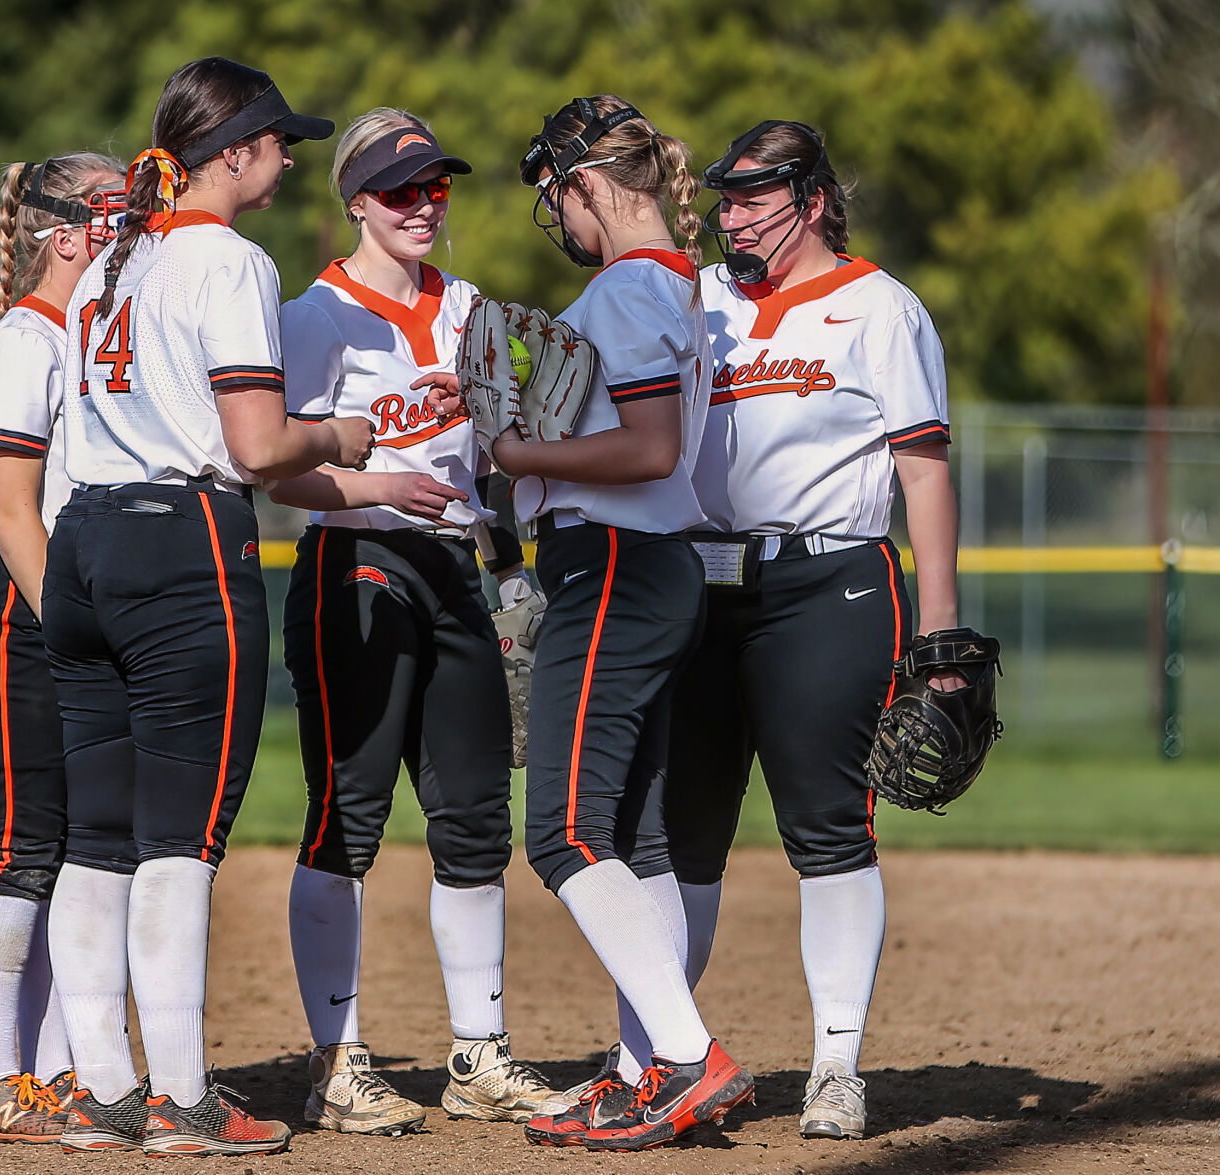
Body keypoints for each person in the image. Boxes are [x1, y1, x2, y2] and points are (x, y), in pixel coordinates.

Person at [41, 57, 372, 1157]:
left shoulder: (114, 257)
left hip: (82, 543)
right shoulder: (227, 258)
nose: (289, 162)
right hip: (180, 547)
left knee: (96, 837)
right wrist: (340, 435)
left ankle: (100, 1090)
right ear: (232, 152)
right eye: (279, 144)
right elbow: (259, 447)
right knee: (180, 841)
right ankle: (181, 1098)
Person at [462, 95, 755, 1151]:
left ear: (586, 182)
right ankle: (642, 1072)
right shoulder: (677, 287)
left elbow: (645, 447)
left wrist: (516, 455)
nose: (560, 215)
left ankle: (683, 1056)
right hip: (654, 565)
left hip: (618, 565)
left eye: (559, 193)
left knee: (564, 831)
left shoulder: (628, 289)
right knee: (636, 840)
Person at [267, 107, 565, 1136]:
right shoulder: (315, 315)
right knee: (347, 814)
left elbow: (499, 451)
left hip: (452, 568)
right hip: (355, 561)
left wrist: (503, 482)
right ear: (356, 201)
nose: (423, 204)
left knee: (475, 816)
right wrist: (376, 480)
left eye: (435, 185)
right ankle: (335, 1059)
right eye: (400, 189)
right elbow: (276, 470)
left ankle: (478, 1054)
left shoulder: (469, 305)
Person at [666, 119, 962, 1142]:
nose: (732, 213)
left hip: (827, 581)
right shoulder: (696, 299)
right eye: (726, 195)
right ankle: (658, 1056)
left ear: (813, 200)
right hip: (696, 585)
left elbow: (922, 470)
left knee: (828, 829)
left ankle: (834, 1065)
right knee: (678, 831)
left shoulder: (878, 306)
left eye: (754, 195)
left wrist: (939, 634)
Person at [0, 150, 123, 1144]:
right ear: (67, 235)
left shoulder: (94, 339)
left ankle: (55, 1073)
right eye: (117, 215)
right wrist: (74, 628)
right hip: (18, 602)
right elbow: (14, 512)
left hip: (63, 604)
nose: (131, 233)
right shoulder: (25, 340)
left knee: (75, 847)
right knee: (20, 841)